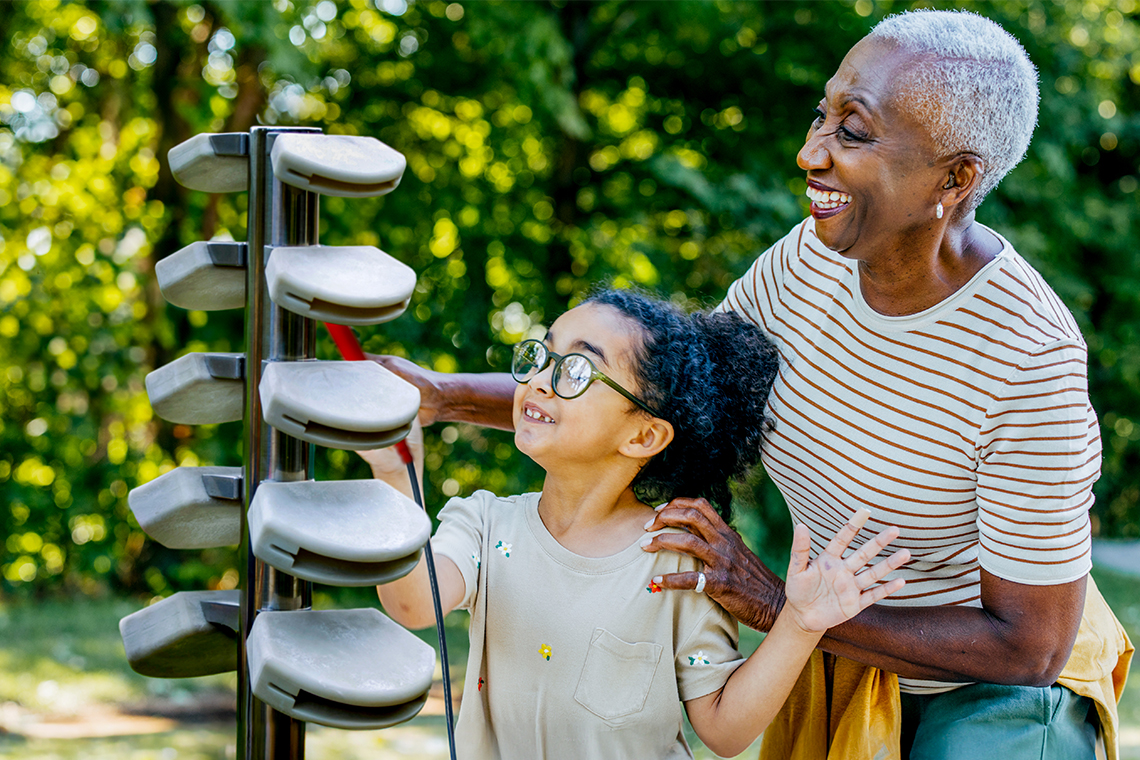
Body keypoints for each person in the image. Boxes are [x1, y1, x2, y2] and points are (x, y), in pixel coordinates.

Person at [372, 9, 1132, 759]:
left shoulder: (1028, 361)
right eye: (820, 116)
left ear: (955, 177)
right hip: (839, 633)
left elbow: (1027, 644)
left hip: (997, 689)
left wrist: (776, 602)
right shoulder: (809, 260)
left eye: (853, 131)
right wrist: (436, 397)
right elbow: (660, 392)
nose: (811, 152)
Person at [360, 289, 910, 760]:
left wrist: (800, 622)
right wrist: (393, 472)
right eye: (540, 356)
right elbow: (413, 602)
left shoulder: (678, 559)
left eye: (578, 369)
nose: (540, 381)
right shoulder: (483, 523)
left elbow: (724, 729)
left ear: (643, 436)